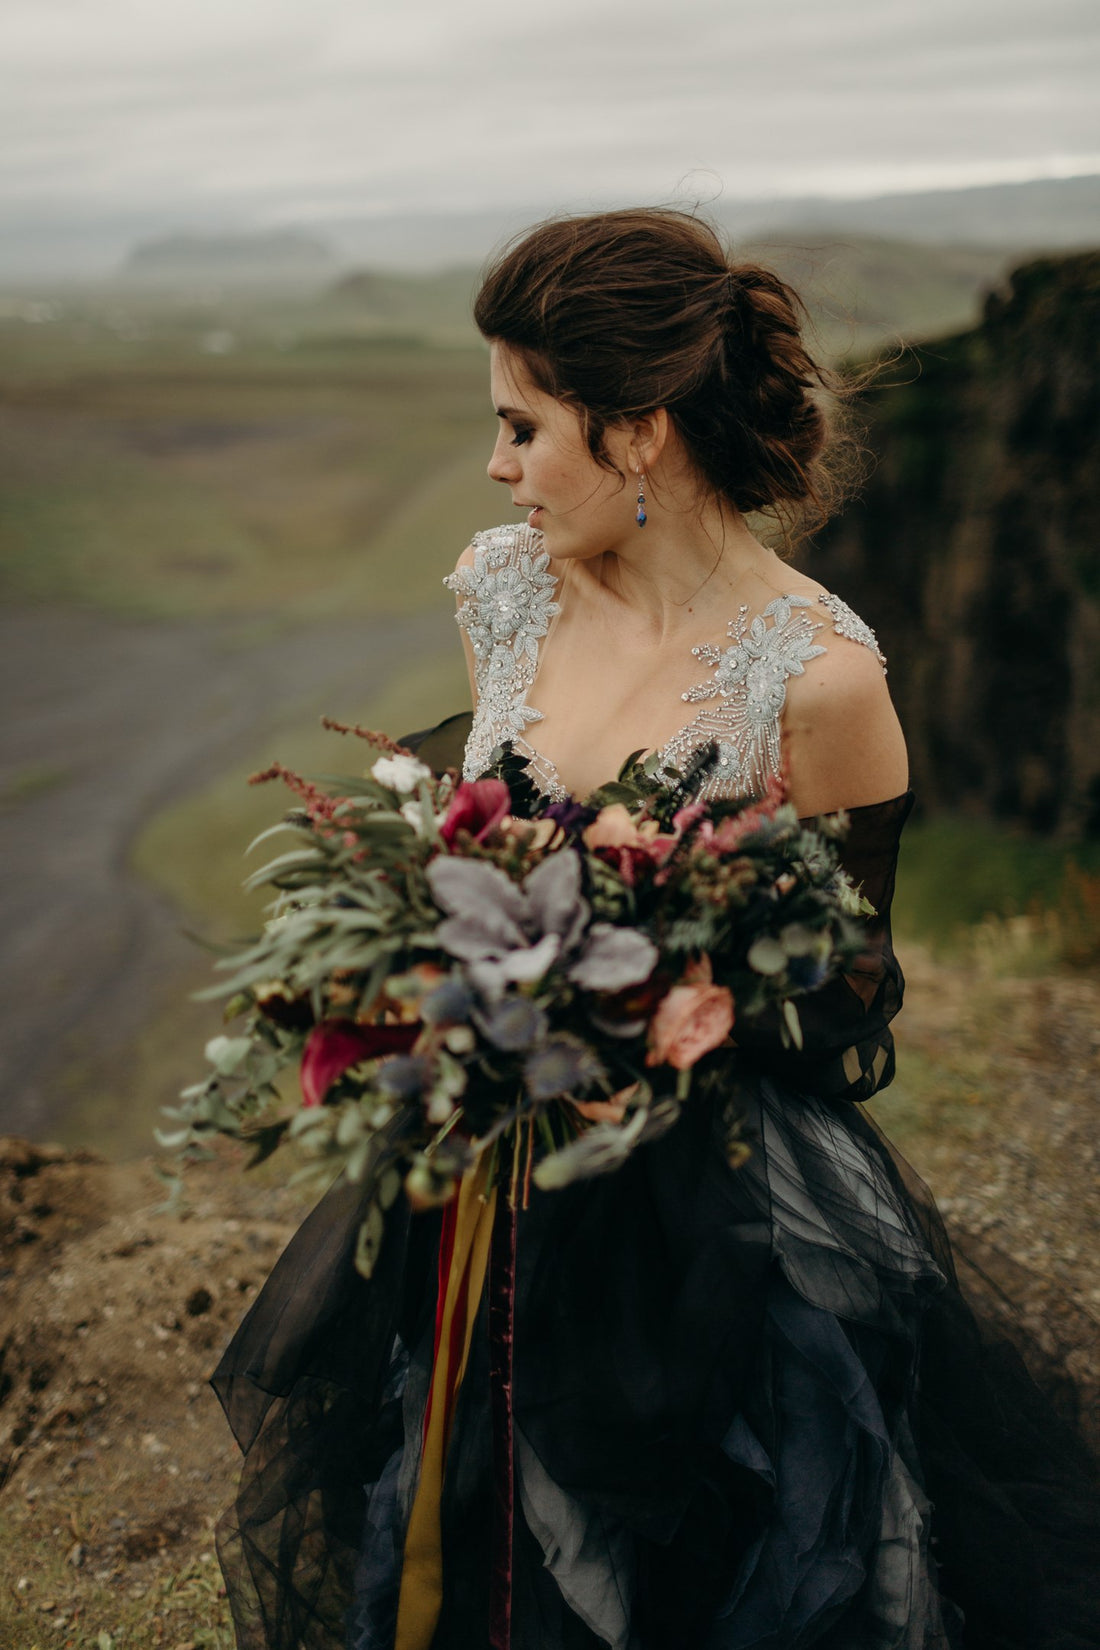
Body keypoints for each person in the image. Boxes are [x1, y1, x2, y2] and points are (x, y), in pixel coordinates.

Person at [212, 210, 1098, 1650]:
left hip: (714, 1215)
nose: (497, 467)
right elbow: (473, 826)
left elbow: (847, 994)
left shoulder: (819, 679)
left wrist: (633, 1006)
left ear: (637, 433)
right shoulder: (497, 592)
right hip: (484, 1176)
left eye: (522, 426)